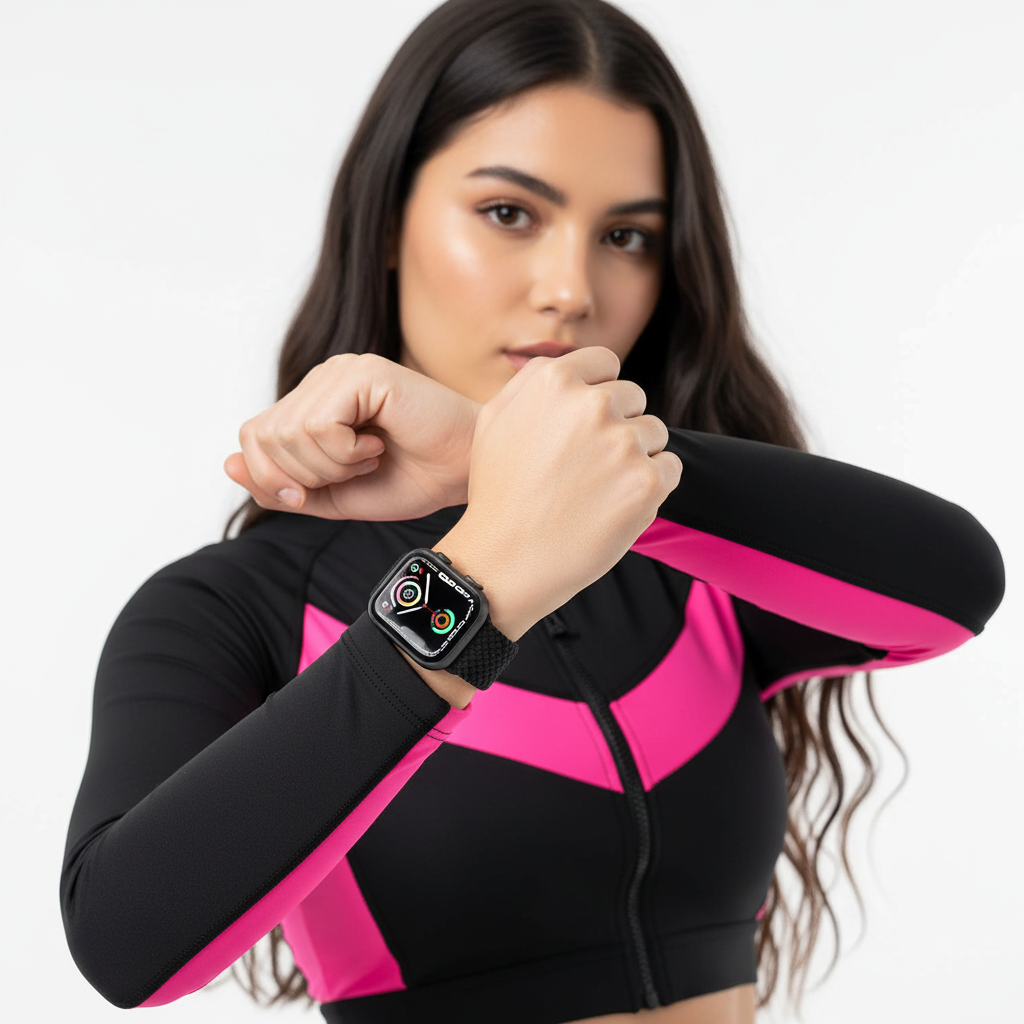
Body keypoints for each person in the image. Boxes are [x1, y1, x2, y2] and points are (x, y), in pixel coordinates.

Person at [60, 1, 1004, 1022]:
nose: (570, 289)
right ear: (388, 221)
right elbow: (127, 940)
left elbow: (956, 586)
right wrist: (476, 584)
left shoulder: (700, 563)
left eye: (627, 235)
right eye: (509, 212)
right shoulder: (236, 609)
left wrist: (513, 455)